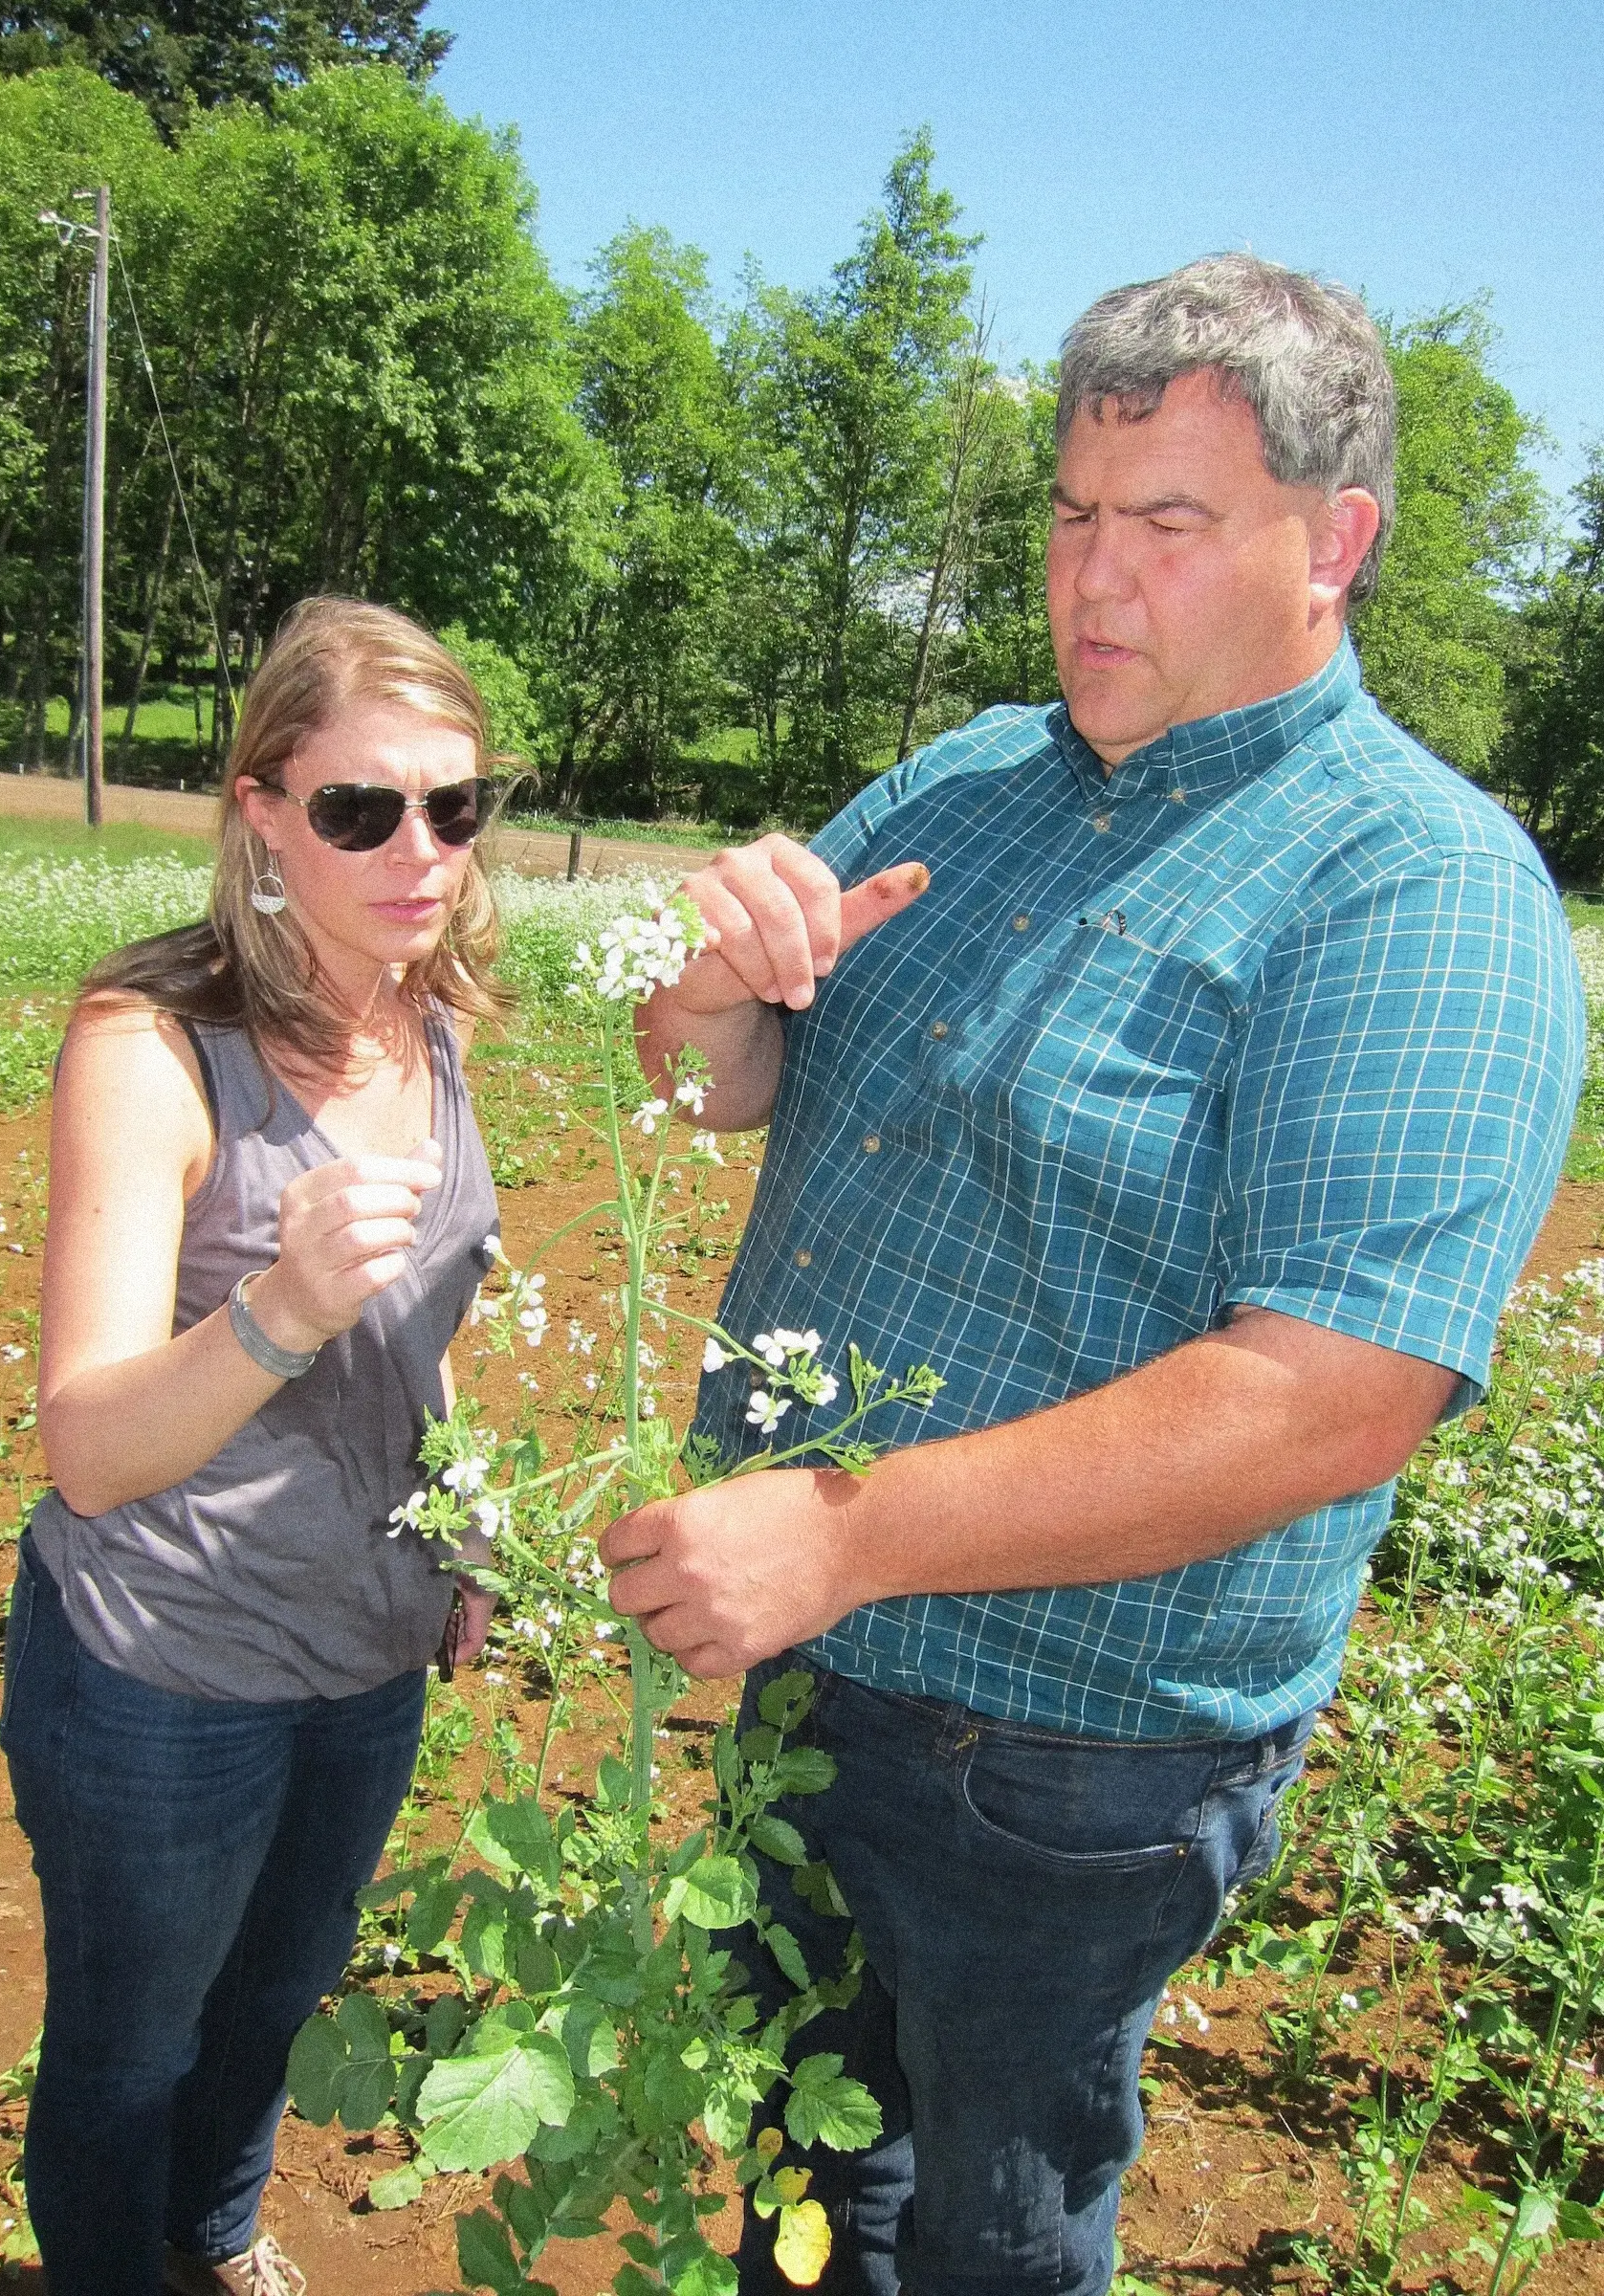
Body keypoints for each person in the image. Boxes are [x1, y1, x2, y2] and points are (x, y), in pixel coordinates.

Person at [603, 255, 1587, 2296]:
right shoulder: (971, 781)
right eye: (1070, 515)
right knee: (809, 2154)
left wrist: (845, 1532)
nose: (1090, 576)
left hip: (1064, 1765)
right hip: (816, 1660)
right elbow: (728, 1087)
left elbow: (1336, 1390)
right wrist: (702, 999)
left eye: (1167, 524)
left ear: (1337, 545)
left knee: (988, 2226)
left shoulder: (1417, 888)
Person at [1, 599, 509, 2296]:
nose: (418, 851)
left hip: (364, 1661)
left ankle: (212, 2242)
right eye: (362, 809)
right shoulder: (152, 1048)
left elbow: (416, 1334)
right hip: (163, 1672)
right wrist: (277, 1305)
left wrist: (464, 1528)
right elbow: (86, 1442)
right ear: (262, 815)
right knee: (130, 2052)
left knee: (277, 2002)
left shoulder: (422, 1023)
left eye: (456, 806)